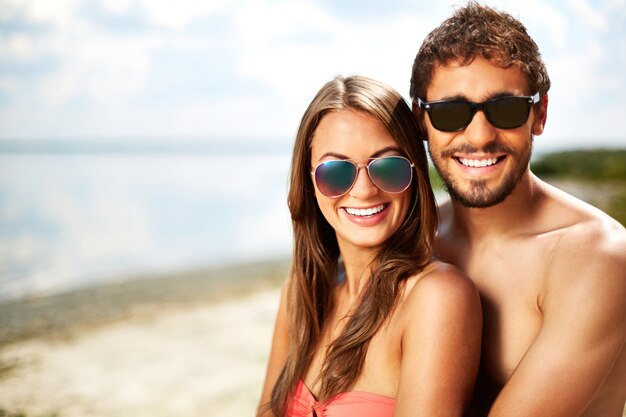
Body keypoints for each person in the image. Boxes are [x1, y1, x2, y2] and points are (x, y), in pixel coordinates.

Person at [409, 2, 626, 417]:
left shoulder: (596, 258)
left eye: (505, 109)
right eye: (451, 112)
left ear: (539, 113)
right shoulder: (417, 236)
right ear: (422, 120)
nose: (479, 135)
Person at [257, 75, 482, 417]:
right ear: (309, 181)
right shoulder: (299, 296)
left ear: (414, 176)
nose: (364, 190)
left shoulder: (436, 297)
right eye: (336, 171)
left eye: (388, 167)